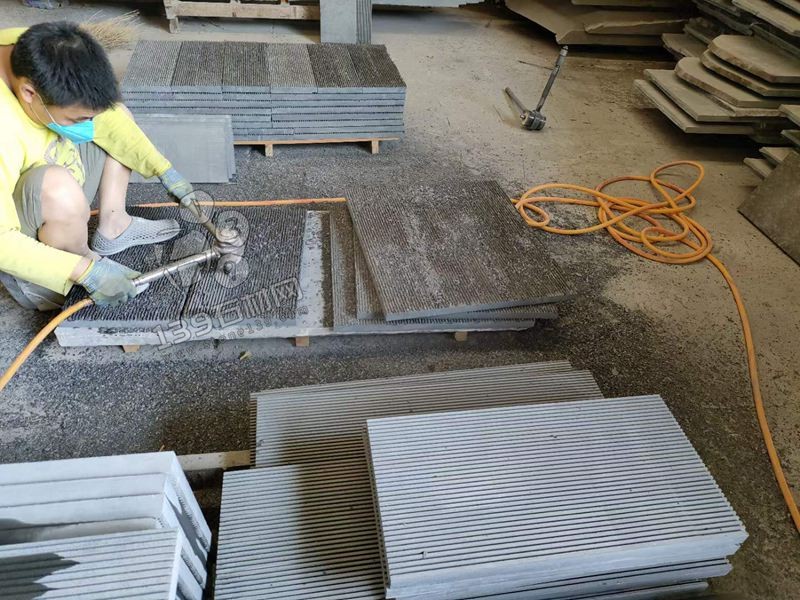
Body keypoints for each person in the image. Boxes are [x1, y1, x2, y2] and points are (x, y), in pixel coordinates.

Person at [0, 21, 199, 310]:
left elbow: (107, 120)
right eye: (76, 120)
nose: (88, 126)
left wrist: (163, 170)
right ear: (29, 93)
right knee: (57, 186)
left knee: (117, 116)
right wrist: (86, 272)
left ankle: (114, 225)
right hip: (22, 238)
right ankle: (72, 271)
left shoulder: (34, 48)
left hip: (54, 175)